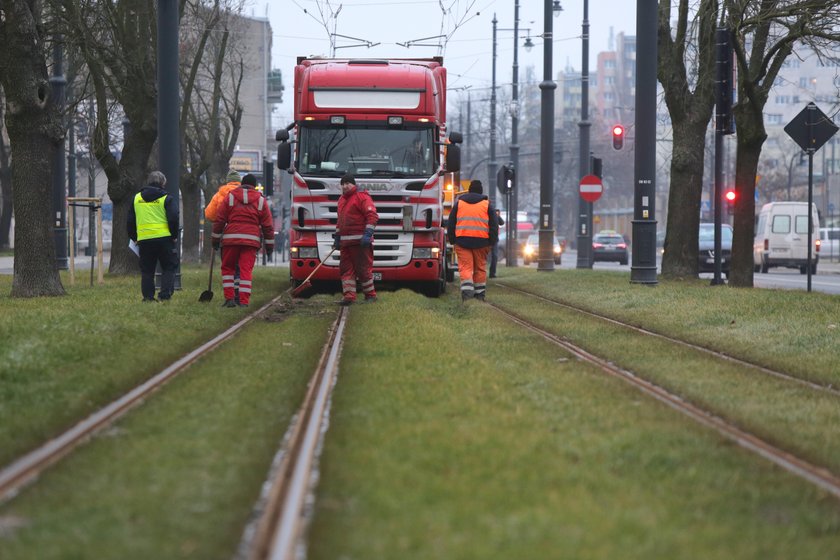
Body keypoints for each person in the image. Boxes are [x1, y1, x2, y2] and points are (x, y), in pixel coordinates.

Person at [211, 173, 275, 307]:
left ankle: (229, 299)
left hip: (231, 240)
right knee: (246, 270)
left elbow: (220, 220)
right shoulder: (261, 201)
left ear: (241, 184)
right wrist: (269, 247)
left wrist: (215, 240)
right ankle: (243, 301)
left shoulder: (230, 197)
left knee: (228, 268)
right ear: (255, 186)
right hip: (251, 242)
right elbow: (268, 227)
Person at [127, 171, 180, 302]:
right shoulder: (167, 198)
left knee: (147, 270)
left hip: (144, 240)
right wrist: (174, 235)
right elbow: (173, 218)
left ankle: (148, 297)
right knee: (169, 266)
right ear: (163, 183)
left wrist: (134, 237)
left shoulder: (136, 198)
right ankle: (165, 295)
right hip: (165, 239)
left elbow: (130, 220)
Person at [446, 180, 499, 301]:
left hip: (462, 242)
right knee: (480, 268)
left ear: (469, 190)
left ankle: (467, 296)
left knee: (466, 268)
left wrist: (453, 240)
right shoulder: (487, 205)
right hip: (482, 243)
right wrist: (492, 242)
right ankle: (480, 296)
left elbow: (451, 223)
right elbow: (494, 225)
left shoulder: (459, 204)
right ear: (481, 192)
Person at [334, 174, 379, 305]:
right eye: (342, 184)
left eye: (348, 183)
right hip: (346, 243)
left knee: (363, 270)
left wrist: (368, 234)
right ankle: (349, 296)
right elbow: (340, 221)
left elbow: (372, 216)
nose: (345, 186)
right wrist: (337, 237)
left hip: (360, 243)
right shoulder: (341, 200)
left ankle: (371, 295)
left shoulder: (361, 197)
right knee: (346, 270)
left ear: (354, 184)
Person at [205, 170, 242, 301]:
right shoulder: (245, 194)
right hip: (243, 234)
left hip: (225, 235)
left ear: (228, 181)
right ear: (239, 181)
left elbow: (209, 214)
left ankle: (230, 293)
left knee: (228, 264)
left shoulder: (220, 194)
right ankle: (239, 292)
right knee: (240, 265)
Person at [489, 208, 505, 278]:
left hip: (494, 239)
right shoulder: (487, 215)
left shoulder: (495, 216)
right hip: (488, 238)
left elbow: (502, 222)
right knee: (494, 256)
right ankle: (491, 273)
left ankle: (492, 273)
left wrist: (497, 216)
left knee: (495, 256)